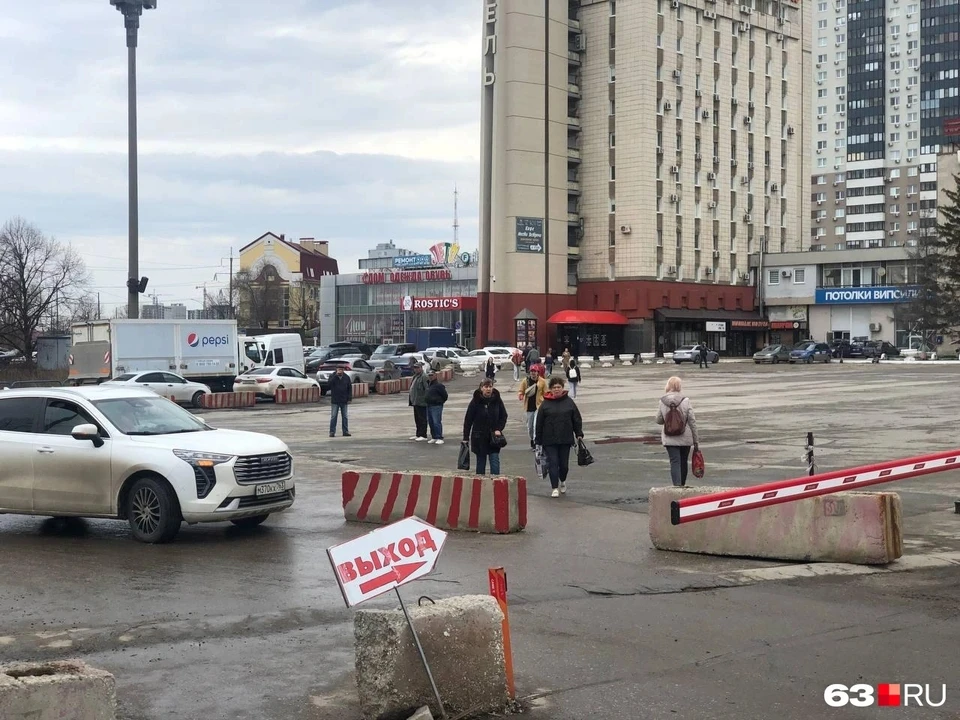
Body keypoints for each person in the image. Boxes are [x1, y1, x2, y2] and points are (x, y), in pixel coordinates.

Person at [535, 376, 584, 498]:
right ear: (550, 389)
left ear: (562, 388)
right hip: (549, 440)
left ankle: (563, 480)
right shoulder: (545, 404)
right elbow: (539, 423)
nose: (556, 389)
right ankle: (554, 487)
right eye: (554, 387)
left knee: (564, 465)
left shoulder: (569, 402)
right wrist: (538, 440)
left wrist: (578, 434)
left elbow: (576, 419)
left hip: (565, 438)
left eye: (559, 387)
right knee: (553, 463)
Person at [656, 376, 700, 487]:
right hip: (685, 437)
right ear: (679, 386)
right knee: (683, 461)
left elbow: (659, 420)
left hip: (669, 437)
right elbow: (692, 421)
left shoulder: (662, 401)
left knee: (674, 461)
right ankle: (682, 485)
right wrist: (696, 441)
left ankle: (676, 486)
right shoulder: (686, 401)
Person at [462, 378, 508, 475]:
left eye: (490, 387)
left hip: (494, 437)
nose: (488, 389)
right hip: (479, 437)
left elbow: (503, 416)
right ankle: (480, 482)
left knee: (494, 461)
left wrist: (498, 429)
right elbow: (468, 420)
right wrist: (465, 438)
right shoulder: (475, 401)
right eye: (486, 387)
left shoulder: (497, 400)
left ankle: (495, 482)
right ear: (481, 388)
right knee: (481, 463)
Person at [517, 366, 546, 449]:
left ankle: (536, 442)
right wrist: (520, 395)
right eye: (531, 371)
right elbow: (521, 390)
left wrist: (546, 401)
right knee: (530, 427)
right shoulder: (525, 381)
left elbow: (546, 392)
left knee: (536, 425)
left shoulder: (542, 381)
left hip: (539, 406)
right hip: (529, 407)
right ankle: (532, 439)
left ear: (537, 372)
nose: (533, 373)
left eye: (535, 371)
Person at [327, 364, 352, 437]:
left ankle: (345, 431)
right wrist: (335, 376)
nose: (340, 371)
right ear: (336, 370)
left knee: (345, 416)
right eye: (339, 369)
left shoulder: (346, 377)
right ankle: (332, 432)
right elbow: (329, 385)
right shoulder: (333, 376)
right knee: (334, 416)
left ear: (343, 370)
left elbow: (349, 388)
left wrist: (349, 398)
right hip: (335, 400)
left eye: (341, 369)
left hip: (344, 400)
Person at [425, 370, 448, 445]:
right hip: (429, 405)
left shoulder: (439, 385)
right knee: (431, 422)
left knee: (436, 422)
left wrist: (439, 401)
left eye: (432, 375)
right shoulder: (428, 384)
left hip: (436, 406)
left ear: (435, 376)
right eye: (429, 375)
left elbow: (445, 395)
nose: (430, 377)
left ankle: (439, 437)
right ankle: (434, 437)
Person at [408, 363, 429, 442]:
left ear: (421, 368)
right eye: (415, 368)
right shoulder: (415, 376)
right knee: (417, 419)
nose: (416, 369)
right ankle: (418, 434)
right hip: (415, 401)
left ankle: (423, 435)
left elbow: (427, 389)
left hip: (422, 401)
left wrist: (426, 399)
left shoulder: (424, 377)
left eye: (417, 368)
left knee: (422, 419)